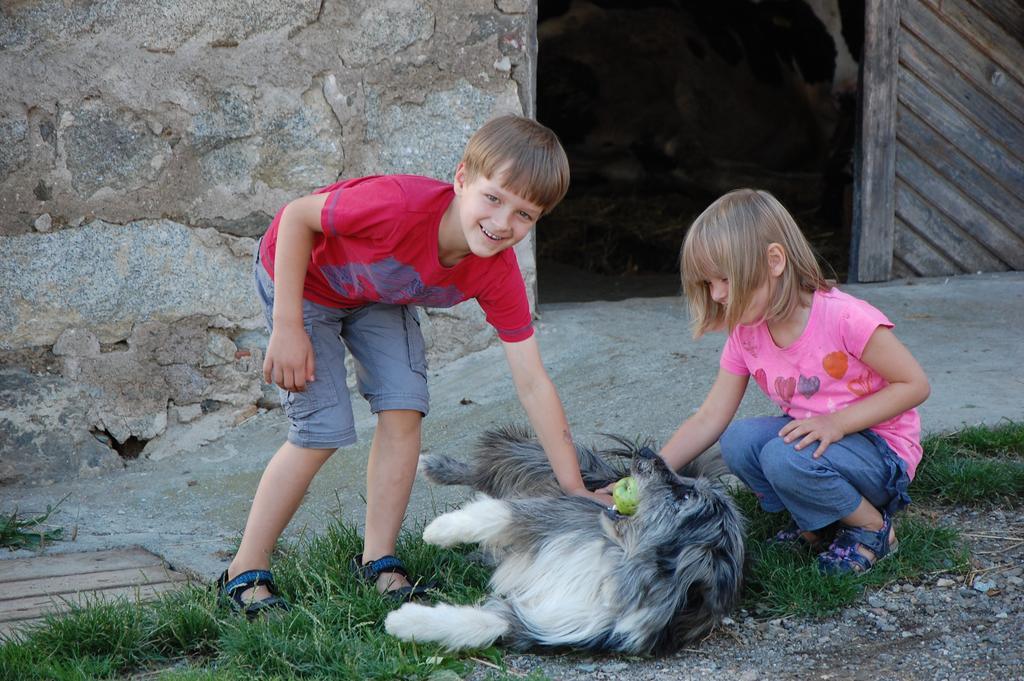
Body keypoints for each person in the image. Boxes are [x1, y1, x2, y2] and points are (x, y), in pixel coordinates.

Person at [217, 115, 611, 617]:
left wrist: (574, 488)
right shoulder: (396, 205)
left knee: (405, 407)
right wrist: (287, 324)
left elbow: (533, 381)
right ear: (462, 177)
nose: (502, 223)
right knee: (321, 430)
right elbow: (296, 217)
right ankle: (243, 568)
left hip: (375, 293)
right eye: (493, 198)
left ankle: (378, 559)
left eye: (525, 215)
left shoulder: (497, 272)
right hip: (304, 282)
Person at [657, 188, 929, 575]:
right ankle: (815, 523)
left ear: (774, 261)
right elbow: (709, 418)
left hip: (880, 454)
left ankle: (872, 528)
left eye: (724, 280)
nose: (717, 295)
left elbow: (915, 384)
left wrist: (836, 424)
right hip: (819, 443)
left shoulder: (844, 318)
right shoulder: (746, 333)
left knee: (781, 457)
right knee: (737, 440)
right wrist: (656, 470)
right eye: (709, 283)